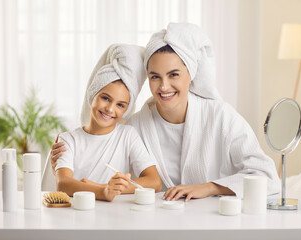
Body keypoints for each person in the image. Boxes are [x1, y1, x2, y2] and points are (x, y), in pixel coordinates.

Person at [52, 23, 280, 202]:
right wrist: (66, 154)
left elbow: (267, 177)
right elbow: (109, 163)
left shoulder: (221, 117)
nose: (163, 86)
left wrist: (209, 187)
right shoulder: (136, 125)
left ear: (190, 74)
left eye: (173, 75)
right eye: (155, 76)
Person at [55, 44, 161, 202]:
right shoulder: (68, 140)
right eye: (105, 98)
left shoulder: (127, 135)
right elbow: (63, 184)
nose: (110, 109)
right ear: (93, 94)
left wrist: (110, 188)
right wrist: (103, 190)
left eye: (120, 105)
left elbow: (154, 182)